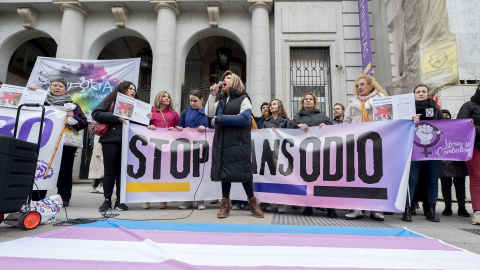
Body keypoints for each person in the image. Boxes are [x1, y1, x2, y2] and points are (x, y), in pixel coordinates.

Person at [206, 70, 264, 219]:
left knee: (245, 173)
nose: (224, 79)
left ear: (236, 82)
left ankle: (253, 203)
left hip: (238, 142)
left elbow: (245, 119)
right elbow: (209, 112)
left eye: (228, 78)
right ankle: (225, 205)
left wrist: (222, 119)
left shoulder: (243, 98)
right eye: (224, 77)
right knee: (225, 174)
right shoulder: (221, 99)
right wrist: (212, 95)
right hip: (223, 141)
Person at [28, 77, 88, 207]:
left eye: (60, 86)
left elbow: (83, 123)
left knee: (65, 171)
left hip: (66, 144)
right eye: (54, 85)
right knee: (42, 168)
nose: (57, 87)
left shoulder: (73, 105)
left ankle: (63, 198)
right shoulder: (41, 101)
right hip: (44, 142)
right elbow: (27, 109)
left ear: (65, 90)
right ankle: (37, 197)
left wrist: (73, 116)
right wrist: (32, 93)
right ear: (50, 87)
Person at [344, 75, 388, 221]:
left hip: (375, 142)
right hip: (357, 143)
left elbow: (387, 120)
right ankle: (357, 209)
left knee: (375, 176)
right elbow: (346, 121)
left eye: (362, 84)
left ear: (371, 85)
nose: (360, 87)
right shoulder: (353, 103)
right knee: (358, 176)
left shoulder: (381, 100)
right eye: (357, 86)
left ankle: (375, 209)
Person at [287, 93, 337, 218]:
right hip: (305, 155)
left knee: (325, 182)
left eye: (311, 99)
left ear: (314, 103)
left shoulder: (323, 116)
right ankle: (308, 207)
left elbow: (334, 128)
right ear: (302, 103)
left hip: (321, 154)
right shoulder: (298, 118)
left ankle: (331, 208)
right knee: (307, 181)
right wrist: (297, 125)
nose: (308, 101)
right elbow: (287, 128)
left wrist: (326, 126)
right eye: (306, 99)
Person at [402, 84, 445, 223]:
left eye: (424, 91)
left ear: (428, 93)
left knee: (432, 180)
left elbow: (445, 127)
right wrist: (411, 121)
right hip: (414, 150)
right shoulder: (408, 110)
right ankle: (407, 209)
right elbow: (401, 127)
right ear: (413, 95)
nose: (421, 94)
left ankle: (431, 210)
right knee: (412, 179)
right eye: (418, 92)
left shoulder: (436, 110)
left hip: (433, 151)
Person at [92, 81, 137, 212]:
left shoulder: (137, 105)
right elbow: (96, 114)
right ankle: (107, 201)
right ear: (122, 89)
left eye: (134, 89)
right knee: (110, 171)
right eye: (130, 89)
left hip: (129, 141)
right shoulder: (111, 100)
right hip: (111, 140)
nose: (133, 91)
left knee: (123, 172)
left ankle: (120, 201)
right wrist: (116, 117)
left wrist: (147, 119)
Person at [176, 89, 213, 210]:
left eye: (195, 101)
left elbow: (214, 129)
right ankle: (188, 201)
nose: (192, 103)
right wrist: (179, 128)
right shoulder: (185, 112)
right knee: (187, 174)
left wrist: (206, 128)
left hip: (203, 147)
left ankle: (200, 201)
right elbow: (179, 126)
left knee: (200, 174)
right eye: (191, 100)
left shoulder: (208, 112)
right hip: (188, 147)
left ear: (202, 100)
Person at [142, 90, 179, 209]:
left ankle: (163, 199)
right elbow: (141, 127)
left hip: (168, 147)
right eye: (164, 96)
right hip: (152, 146)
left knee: (165, 174)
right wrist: (149, 125)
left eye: (168, 96)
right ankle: (146, 199)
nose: (167, 98)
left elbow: (180, 129)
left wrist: (175, 128)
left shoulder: (174, 114)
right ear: (159, 98)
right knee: (150, 173)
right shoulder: (150, 112)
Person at [439, 109, 470, 217]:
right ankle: (448, 207)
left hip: (458, 160)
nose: (445, 117)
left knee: (460, 185)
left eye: (447, 115)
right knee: (446, 185)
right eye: (443, 115)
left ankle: (462, 207)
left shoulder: (457, 128)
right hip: (443, 161)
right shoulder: (437, 128)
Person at [457, 81, 480, 225]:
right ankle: (478, 211)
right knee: (477, 178)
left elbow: (471, 126)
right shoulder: (469, 105)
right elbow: (462, 126)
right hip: (475, 146)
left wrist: (475, 127)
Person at [263, 98, 290, 213]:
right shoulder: (266, 122)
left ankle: (282, 203)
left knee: (282, 177)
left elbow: (289, 133)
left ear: (279, 106)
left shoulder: (286, 120)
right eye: (270, 104)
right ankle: (274, 202)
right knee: (272, 177)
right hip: (270, 151)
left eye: (274, 104)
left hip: (283, 151)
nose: (271, 106)